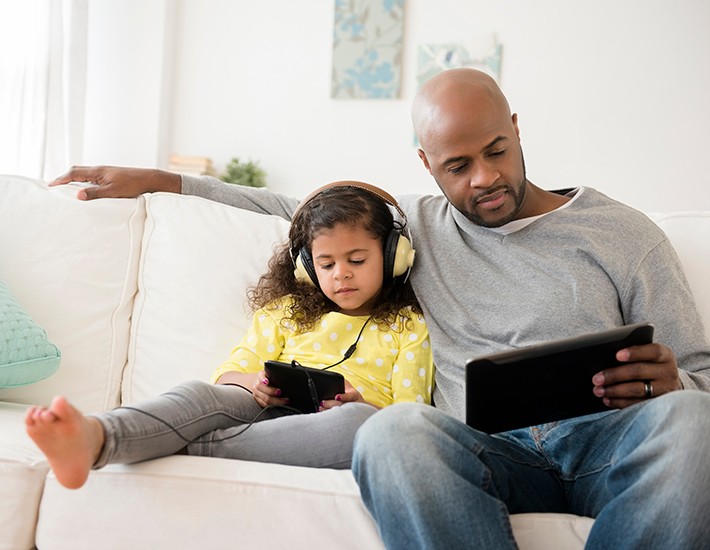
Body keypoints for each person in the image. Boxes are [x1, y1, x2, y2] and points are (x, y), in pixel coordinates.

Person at [48, 68, 710, 548]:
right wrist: (161, 180)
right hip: (488, 450)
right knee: (394, 431)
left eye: (496, 152)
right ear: (426, 164)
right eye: (457, 165)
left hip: (606, 443)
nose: (482, 178)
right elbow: (297, 212)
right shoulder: (413, 227)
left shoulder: (624, 234)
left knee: (689, 421)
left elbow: (702, 377)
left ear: (515, 128)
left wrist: (674, 380)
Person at [25, 182, 434, 490]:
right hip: (263, 408)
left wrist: (362, 404)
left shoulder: (409, 326)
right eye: (326, 264)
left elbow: (410, 417)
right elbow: (229, 373)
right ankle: (96, 437)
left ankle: (188, 445)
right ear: (308, 269)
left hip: (336, 427)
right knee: (202, 395)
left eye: (357, 259)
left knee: (358, 424)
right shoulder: (287, 313)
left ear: (393, 255)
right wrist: (254, 384)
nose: (340, 274)